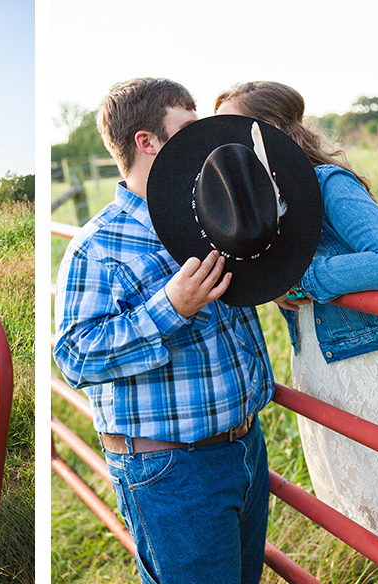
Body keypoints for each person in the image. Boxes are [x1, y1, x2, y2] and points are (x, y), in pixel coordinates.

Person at [53, 78, 276, 584]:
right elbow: (74, 356)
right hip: (173, 470)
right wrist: (170, 308)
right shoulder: (98, 246)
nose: (203, 142)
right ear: (146, 141)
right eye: (188, 129)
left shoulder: (211, 214)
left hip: (246, 447)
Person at [215, 81, 378, 569]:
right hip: (318, 368)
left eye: (235, 128)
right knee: (370, 517)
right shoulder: (264, 200)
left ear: (269, 132)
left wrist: (306, 277)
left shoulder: (327, 184)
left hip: (368, 371)